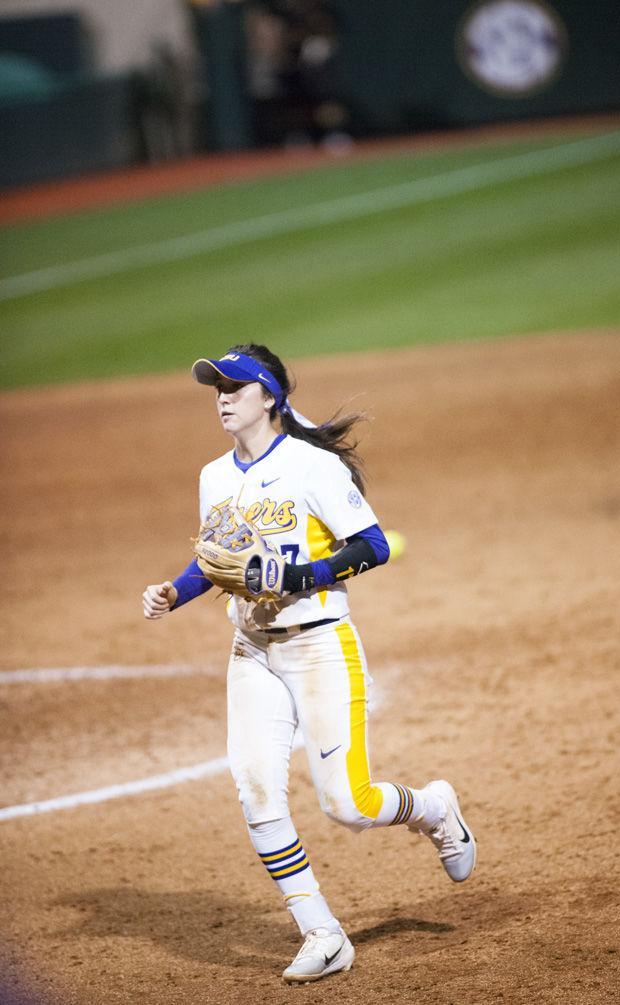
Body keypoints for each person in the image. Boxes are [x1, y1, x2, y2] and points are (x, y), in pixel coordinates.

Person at [142, 344, 476, 984]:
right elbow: (215, 558)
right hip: (251, 652)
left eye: (236, 386)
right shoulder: (215, 475)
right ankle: (322, 932)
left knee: (347, 805)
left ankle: (433, 808)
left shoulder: (312, 466)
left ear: (269, 395)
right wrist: (174, 593)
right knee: (256, 791)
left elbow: (373, 545)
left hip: (320, 644)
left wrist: (300, 574)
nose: (223, 396)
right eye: (217, 386)